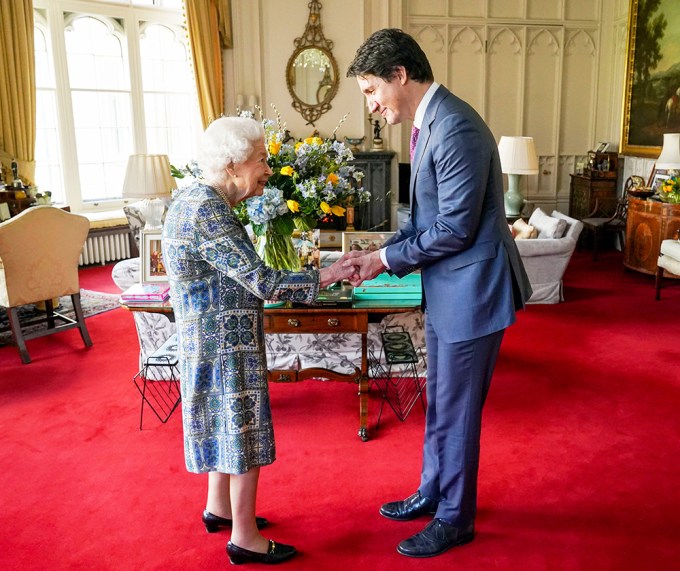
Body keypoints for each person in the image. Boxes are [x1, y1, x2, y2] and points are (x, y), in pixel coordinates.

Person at [346, 29, 532, 558]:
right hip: (449, 289)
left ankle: (455, 517)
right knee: (441, 404)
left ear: (399, 75)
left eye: (369, 90)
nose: (371, 103)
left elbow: (453, 229)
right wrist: (375, 254)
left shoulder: (455, 128)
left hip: (473, 292)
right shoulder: (430, 123)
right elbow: (423, 219)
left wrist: (382, 261)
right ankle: (433, 491)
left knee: (457, 409)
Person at [162, 116, 354, 565]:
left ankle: (219, 508)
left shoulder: (194, 199)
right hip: (224, 344)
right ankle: (244, 538)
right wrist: (327, 274)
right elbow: (263, 282)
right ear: (232, 165)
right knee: (241, 431)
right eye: (261, 159)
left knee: (224, 425)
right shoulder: (207, 209)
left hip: (207, 338)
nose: (267, 168)